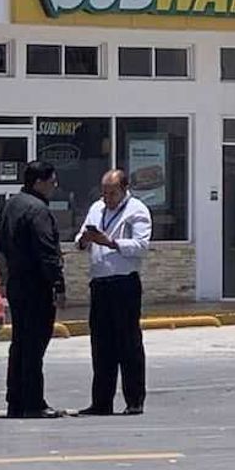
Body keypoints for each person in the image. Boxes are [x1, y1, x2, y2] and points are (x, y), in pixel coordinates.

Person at [74, 169, 151, 416]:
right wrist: (84, 240)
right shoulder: (97, 208)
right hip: (100, 283)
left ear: (124, 189)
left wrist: (110, 242)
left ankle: (134, 400)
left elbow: (141, 246)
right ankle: (101, 401)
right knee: (101, 344)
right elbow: (80, 238)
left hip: (124, 283)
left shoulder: (136, 210)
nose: (107, 197)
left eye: (112, 193)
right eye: (104, 192)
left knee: (128, 343)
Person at [0, 160, 66, 418]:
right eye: (52, 181)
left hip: (17, 283)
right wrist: (58, 285)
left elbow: (0, 242)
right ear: (39, 182)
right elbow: (47, 252)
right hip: (36, 286)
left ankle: (16, 400)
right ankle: (34, 403)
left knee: (20, 343)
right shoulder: (38, 211)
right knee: (35, 345)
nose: (55, 185)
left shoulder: (12, 204)